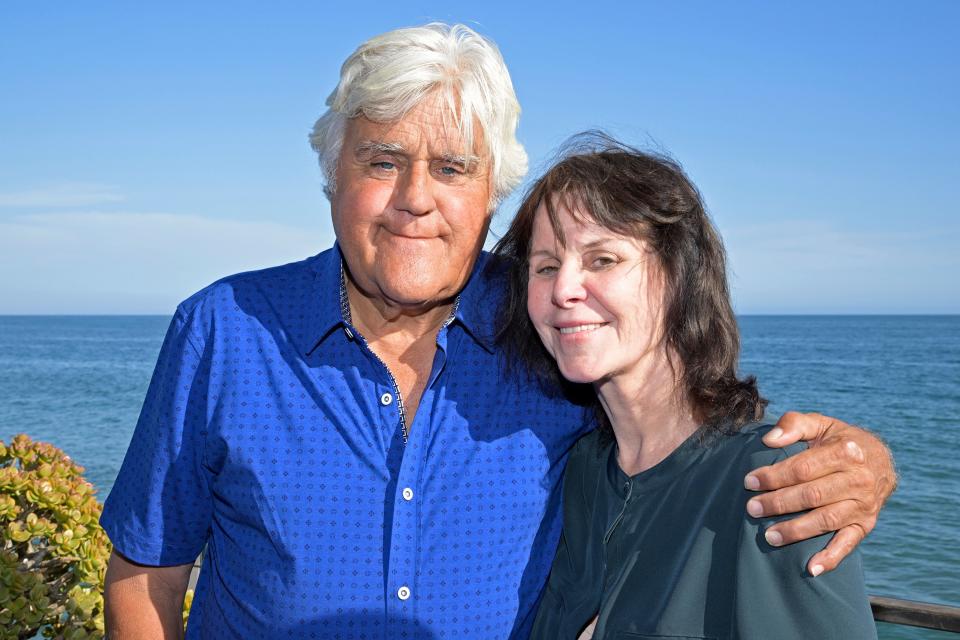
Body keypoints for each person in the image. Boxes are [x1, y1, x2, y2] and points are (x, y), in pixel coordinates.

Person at [100, 23, 895, 639]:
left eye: (452, 168)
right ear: (331, 174)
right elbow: (146, 573)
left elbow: (675, 439)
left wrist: (857, 462)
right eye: (383, 161)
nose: (417, 197)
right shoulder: (224, 330)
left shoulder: (548, 327)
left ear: (490, 194)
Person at [494, 133, 878, 639]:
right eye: (545, 267)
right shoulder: (585, 471)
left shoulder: (773, 483)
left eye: (602, 259)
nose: (563, 289)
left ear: (679, 273)